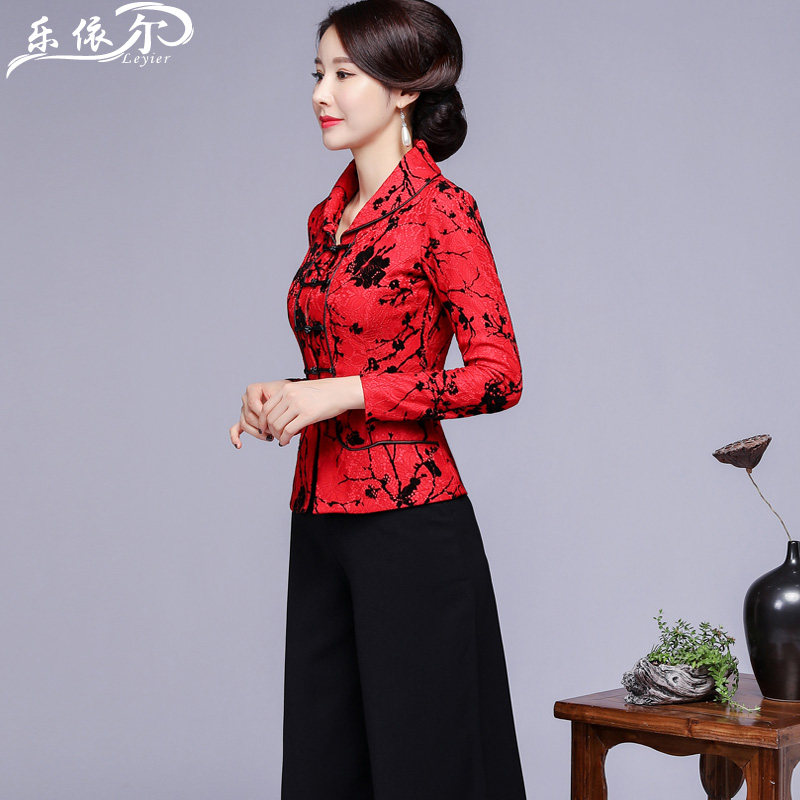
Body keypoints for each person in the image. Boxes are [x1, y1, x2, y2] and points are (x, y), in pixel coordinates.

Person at [229, 1, 527, 797]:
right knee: (324, 767)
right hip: (319, 521)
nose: (320, 93)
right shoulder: (328, 219)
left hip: (410, 526)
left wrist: (347, 392)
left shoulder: (442, 211)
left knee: (424, 767)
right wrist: (289, 397)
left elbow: (498, 375)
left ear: (404, 90)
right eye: (317, 73)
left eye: (344, 74)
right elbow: (345, 360)